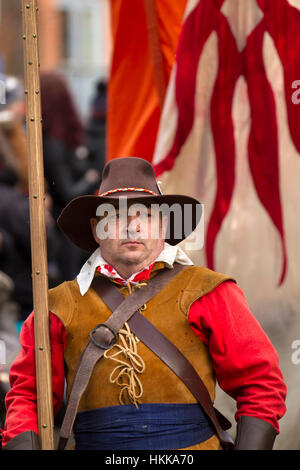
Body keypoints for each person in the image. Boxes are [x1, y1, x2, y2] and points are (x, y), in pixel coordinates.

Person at [1, 157, 286, 450]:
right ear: (97, 228)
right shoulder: (55, 305)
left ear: (163, 223)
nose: (132, 227)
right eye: (116, 217)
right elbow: (29, 398)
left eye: (145, 215)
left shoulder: (209, 290)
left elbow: (261, 385)